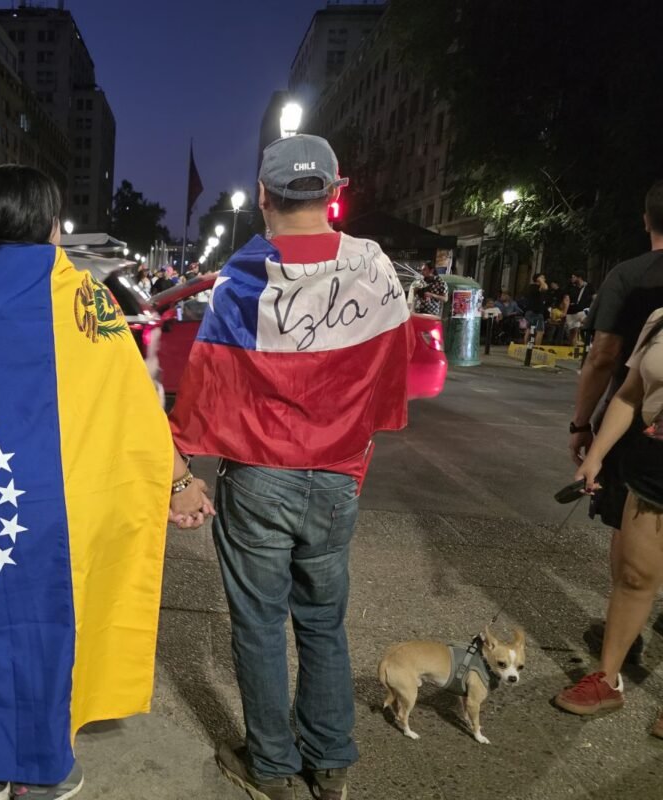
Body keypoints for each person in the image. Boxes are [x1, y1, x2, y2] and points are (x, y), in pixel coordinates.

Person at [0, 164, 211, 800]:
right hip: (60, 504)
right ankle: (44, 765)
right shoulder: (78, 293)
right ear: (45, 221)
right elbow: (132, 401)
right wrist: (175, 482)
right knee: (50, 625)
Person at [170, 134, 415, 800]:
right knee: (322, 620)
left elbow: (204, 390)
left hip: (258, 476)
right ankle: (330, 762)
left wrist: (180, 468)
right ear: (336, 190)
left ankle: (273, 768)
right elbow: (392, 379)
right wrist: (355, 451)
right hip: (337, 476)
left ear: (262, 196)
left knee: (258, 622)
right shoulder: (374, 267)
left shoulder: (244, 276)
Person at [559, 180, 663, 733]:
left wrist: (580, 422)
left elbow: (601, 358)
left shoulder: (629, 278)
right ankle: (608, 677)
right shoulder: (657, 320)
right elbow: (627, 389)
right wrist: (595, 450)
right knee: (634, 572)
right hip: (651, 458)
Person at [520, 273, 550, 341]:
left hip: (531, 311)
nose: (544, 279)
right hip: (536, 312)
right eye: (543, 278)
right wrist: (541, 280)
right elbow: (545, 287)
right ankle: (537, 347)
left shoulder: (531, 287)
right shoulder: (535, 287)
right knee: (540, 331)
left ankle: (527, 347)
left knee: (529, 329)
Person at [567, 271, 594, 346]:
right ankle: (573, 351)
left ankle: (589, 344)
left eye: (573, 277)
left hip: (583, 310)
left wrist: (592, 308)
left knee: (585, 325)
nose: (572, 278)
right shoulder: (571, 287)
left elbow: (595, 297)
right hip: (572, 311)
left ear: (579, 277)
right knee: (573, 332)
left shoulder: (589, 286)